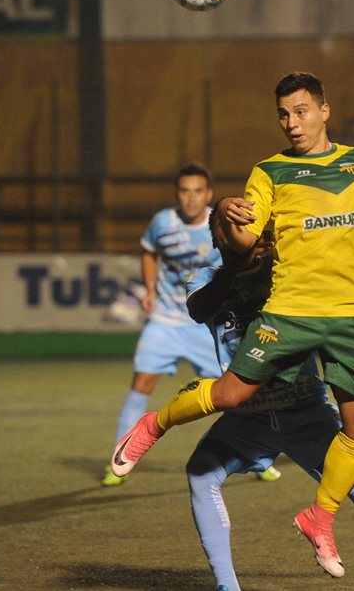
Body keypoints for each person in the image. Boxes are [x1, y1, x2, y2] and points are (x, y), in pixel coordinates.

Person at [110, 71, 354, 579]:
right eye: (282, 114)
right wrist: (230, 216)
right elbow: (248, 242)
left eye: (300, 111)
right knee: (228, 394)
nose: (291, 123)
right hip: (291, 310)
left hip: (351, 315)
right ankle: (152, 424)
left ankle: (320, 516)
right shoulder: (269, 171)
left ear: (323, 110)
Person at [183, 209, 354, 591]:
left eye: (249, 224)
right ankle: (227, 587)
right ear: (218, 239)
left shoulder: (286, 272)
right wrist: (234, 266)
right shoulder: (205, 279)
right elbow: (199, 310)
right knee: (201, 473)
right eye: (231, 227)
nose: (243, 231)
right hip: (248, 415)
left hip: (305, 409)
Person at [103, 163, 252, 485]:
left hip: (204, 322)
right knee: (141, 383)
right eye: (185, 191)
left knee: (233, 392)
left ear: (208, 194)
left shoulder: (221, 222)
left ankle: (253, 455)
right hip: (165, 321)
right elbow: (148, 251)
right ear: (177, 193)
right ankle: (118, 456)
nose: (191, 198)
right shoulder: (162, 222)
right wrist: (150, 288)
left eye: (198, 191)